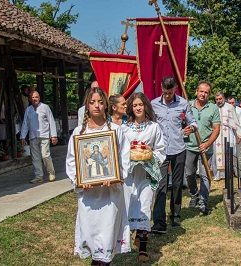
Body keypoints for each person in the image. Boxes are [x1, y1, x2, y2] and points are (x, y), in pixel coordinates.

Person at [65, 87, 131, 265]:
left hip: (110, 195)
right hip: (88, 196)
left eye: (100, 102)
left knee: (106, 235)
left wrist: (116, 175)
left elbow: (125, 159)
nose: (97, 106)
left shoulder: (117, 131)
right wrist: (79, 180)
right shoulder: (79, 133)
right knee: (91, 234)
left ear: (106, 106)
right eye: (92, 102)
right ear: (87, 105)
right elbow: (72, 162)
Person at [121, 92, 166, 262]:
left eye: (141, 104)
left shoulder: (153, 127)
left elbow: (161, 149)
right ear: (131, 108)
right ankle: (132, 236)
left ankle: (143, 247)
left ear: (145, 106)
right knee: (130, 205)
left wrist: (151, 155)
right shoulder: (125, 128)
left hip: (146, 173)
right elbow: (120, 150)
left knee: (145, 206)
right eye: (135, 105)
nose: (138, 108)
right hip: (130, 175)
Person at [151, 76, 197, 233]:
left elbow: (193, 122)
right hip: (161, 150)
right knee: (160, 185)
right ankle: (158, 220)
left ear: (175, 89)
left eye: (170, 93)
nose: (167, 96)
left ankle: (176, 215)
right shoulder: (154, 104)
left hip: (179, 148)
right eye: (165, 93)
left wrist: (191, 128)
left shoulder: (183, 103)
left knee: (177, 185)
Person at [185, 81, 220, 215]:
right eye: (201, 91)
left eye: (206, 92)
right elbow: (181, 122)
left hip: (206, 148)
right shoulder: (188, 106)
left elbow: (216, 129)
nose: (203, 94)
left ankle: (203, 203)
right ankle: (194, 194)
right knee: (189, 173)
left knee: (205, 176)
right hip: (190, 146)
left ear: (209, 94)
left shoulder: (213, 108)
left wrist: (207, 144)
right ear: (196, 92)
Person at [20, 91, 57, 184]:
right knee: (35, 158)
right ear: (29, 99)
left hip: (44, 135)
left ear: (39, 98)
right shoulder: (28, 110)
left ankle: (51, 172)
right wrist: (22, 136)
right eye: (32, 97)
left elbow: (51, 121)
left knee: (45, 155)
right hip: (33, 136)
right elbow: (25, 123)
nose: (34, 99)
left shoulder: (45, 107)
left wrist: (54, 135)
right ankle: (39, 176)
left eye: (36, 97)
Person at [213, 92, 241, 181]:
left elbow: (235, 121)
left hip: (228, 132)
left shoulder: (230, 107)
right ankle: (218, 174)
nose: (219, 101)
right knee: (217, 153)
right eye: (217, 99)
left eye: (220, 99)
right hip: (217, 132)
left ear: (223, 98)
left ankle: (229, 173)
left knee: (229, 152)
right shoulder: (213, 108)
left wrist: (239, 134)